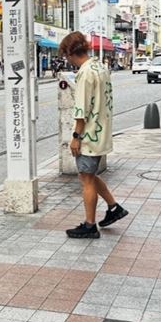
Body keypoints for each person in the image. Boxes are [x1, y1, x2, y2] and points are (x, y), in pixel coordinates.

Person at [59, 31, 128, 239]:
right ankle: (114, 207)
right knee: (89, 174)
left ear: (71, 53)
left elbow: (81, 110)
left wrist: (76, 137)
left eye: (66, 55)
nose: (67, 60)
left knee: (86, 178)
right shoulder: (100, 66)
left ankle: (90, 225)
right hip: (103, 130)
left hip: (90, 134)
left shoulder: (85, 73)